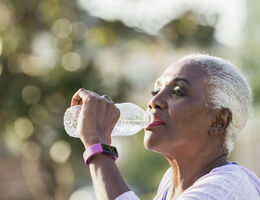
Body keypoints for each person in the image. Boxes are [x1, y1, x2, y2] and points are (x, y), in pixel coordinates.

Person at [71, 53, 260, 200]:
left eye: (178, 92)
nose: (154, 101)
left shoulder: (228, 188)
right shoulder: (171, 181)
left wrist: (97, 146)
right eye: (156, 90)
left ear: (219, 120)